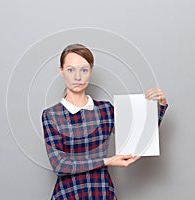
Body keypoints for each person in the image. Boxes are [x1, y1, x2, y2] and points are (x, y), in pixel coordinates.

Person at [41, 44, 168, 199]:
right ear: (61, 71)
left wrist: (159, 106)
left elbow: (139, 137)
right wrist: (107, 161)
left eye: (84, 70)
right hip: (68, 194)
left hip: (102, 192)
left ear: (91, 71)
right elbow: (59, 165)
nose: (78, 77)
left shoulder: (105, 110)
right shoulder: (52, 115)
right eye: (70, 70)